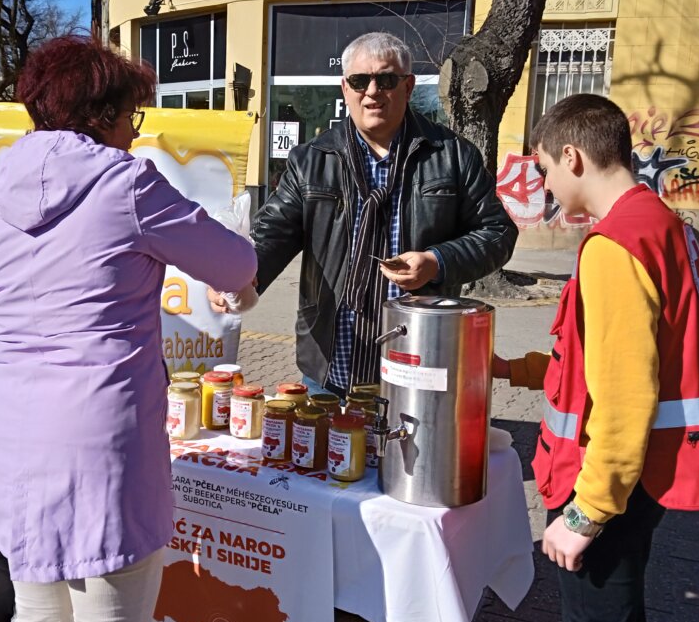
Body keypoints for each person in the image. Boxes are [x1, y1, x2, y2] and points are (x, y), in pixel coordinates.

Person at [0, 35, 257, 622]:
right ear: (103, 114)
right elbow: (235, 265)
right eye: (130, 115)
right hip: (100, 442)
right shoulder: (128, 185)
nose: (131, 130)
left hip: (8, 442)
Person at [494, 94, 699, 622]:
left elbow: (625, 396)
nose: (548, 185)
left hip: (604, 482)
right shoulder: (664, 226)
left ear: (573, 157)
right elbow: (597, 364)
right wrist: (508, 368)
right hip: (645, 479)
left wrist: (585, 515)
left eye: (547, 168)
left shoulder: (612, 247)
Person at [211, 31, 517, 396]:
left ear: (407, 86)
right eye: (360, 80)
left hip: (418, 364)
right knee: (328, 453)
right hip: (330, 366)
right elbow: (272, 232)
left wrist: (437, 261)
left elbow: (497, 233)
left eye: (386, 79)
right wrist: (235, 273)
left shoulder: (452, 155)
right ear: (345, 88)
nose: (372, 91)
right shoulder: (312, 160)